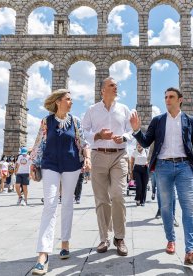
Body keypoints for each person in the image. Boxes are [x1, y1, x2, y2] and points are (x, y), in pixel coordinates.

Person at [130, 87, 193, 266]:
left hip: (184, 166)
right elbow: (146, 142)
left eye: (171, 97)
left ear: (180, 99)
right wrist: (136, 131)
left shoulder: (189, 120)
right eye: (165, 97)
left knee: (188, 208)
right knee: (166, 206)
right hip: (163, 166)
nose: (167, 99)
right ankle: (171, 239)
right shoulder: (158, 120)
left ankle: (190, 250)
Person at [30, 89, 90, 275]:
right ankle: (43, 254)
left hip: (72, 165)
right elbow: (39, 144)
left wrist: (87, 158)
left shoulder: (75, 121)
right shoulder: (46, 122)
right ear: (58, 102)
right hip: (50, 165)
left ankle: (65, 242)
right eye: (68, 99)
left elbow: (83, 142)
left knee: (68, 204)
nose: (71, 102)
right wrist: (33, 164)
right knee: (50, 204)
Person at [82, 77, 131, 257]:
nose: (115, 88)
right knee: (101, 199)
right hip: (98, 155)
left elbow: (131, 130)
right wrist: (98, 135)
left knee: (118, 195)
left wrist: (124, 137)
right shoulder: (92, 110)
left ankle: (120, 237)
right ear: (103, 90)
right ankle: (104, 238)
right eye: (112, 85)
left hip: (119, 155)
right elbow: (83, 131)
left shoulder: (124, 109)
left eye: (116, 85)